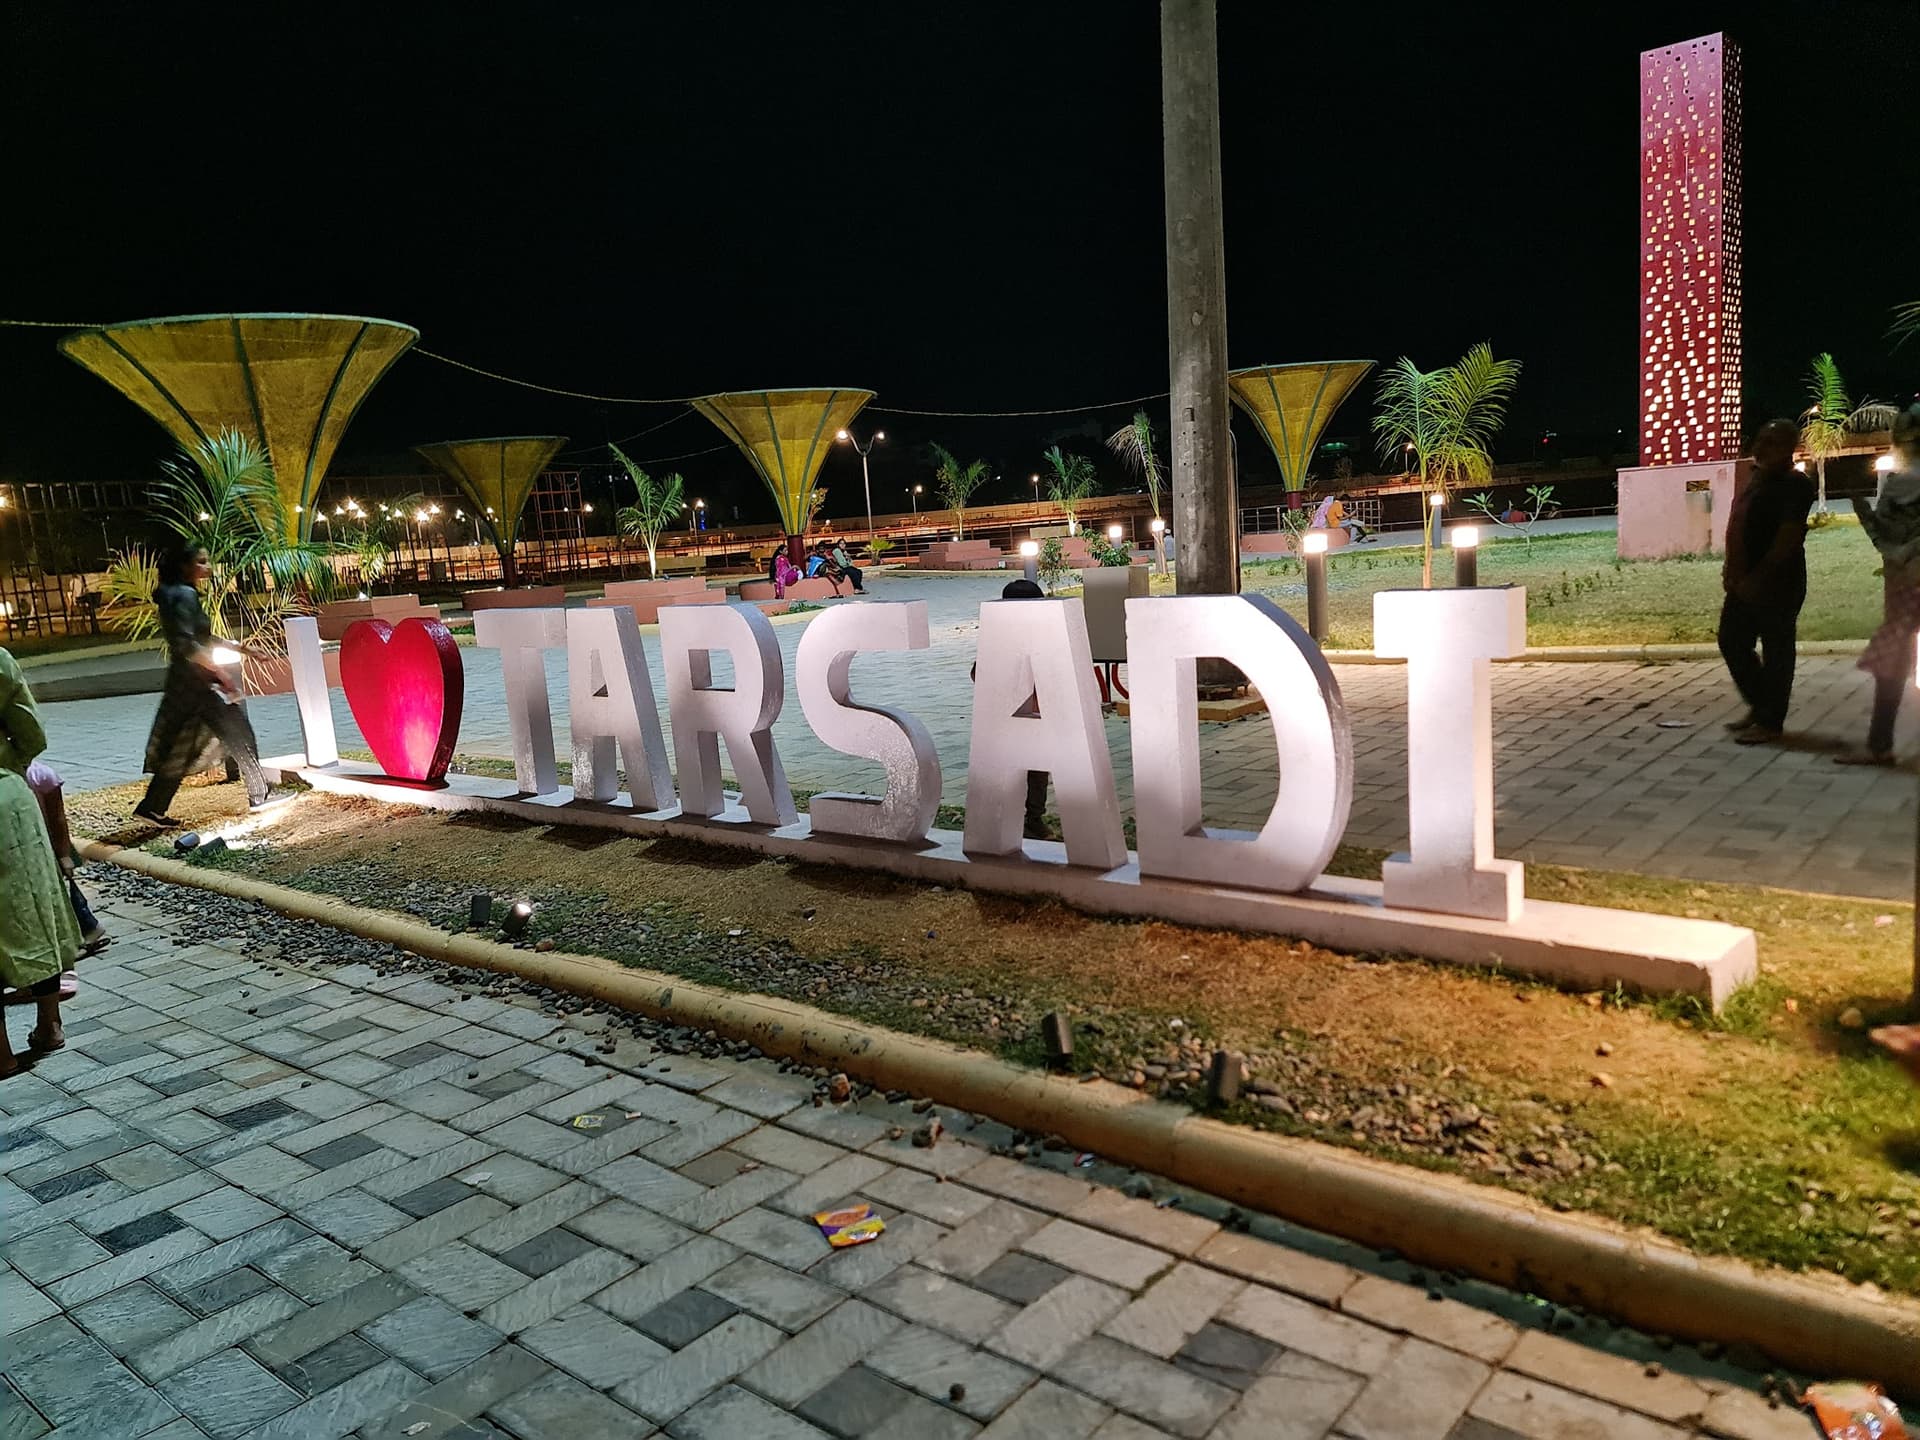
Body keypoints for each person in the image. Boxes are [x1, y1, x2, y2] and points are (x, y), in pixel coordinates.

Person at [134, 544, 283, 826]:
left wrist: (243, 649)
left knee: (181, 745)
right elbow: (189, 644)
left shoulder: (173, 593)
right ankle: (260, 794)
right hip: (199, 683)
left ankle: (152, 807)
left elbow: (203, 637)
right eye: (201, 561)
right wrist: (221, 675)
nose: (207, 566)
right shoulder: (184, 594)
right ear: (185, 566)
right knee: (239, 732)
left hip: (184, 683)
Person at [0, 647, 78, 1076]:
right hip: (6, 800)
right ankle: (49, 1024)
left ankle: (1, 1053)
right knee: (31, 908)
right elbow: (30, 733)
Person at [1718, 420, 1817, 746]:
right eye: (1761, 439)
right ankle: (1762, 706)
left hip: (1777, 582)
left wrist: (1759, 578)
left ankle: (1770, 721)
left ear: (1789, 448)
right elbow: (1739, 523)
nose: (1762, 446)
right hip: (1742, 580)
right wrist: (1731, 568)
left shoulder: (1795, 484)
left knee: (1777, 651)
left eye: (1772, 441)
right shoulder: (1756, 478)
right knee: (1732, 641)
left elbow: (1788, 537)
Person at [1839, 404, 1920, 765]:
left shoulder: (1903, 481)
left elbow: (1885, 537)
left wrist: (1861, 507)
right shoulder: (1904, 479)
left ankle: (1879, 745)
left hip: (1906, 582)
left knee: (1893, 662)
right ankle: (1878, 744)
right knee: (1894, 659)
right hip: (1905, 580)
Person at [968, 578, 1051, 841]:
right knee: (1031, 770)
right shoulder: (1007, 637)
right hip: (1022, 715)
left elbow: (976, 674)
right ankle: (1029, 819)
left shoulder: (1004, 636)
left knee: (1033, 769)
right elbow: (979, 673)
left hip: (1023, 715)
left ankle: (1030, 819)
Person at [24, 760, 107, 972]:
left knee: (59, 893)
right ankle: (81, 931)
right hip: (25, 847)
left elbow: (58, 820)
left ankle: (84, 931)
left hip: (47, 845)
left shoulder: (41, 775)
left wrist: (63, 855)